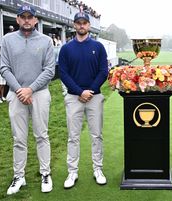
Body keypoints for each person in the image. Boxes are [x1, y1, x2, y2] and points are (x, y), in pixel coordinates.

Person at [0, 4, 55, 194]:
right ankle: (19, 176)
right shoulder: (7, 40)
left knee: (42, 135)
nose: (26, 20)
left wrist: (30, 89)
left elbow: (49, 70)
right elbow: (4, 68)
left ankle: (45, 173)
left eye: (29, 17)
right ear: (17, 20)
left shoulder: (46, 40)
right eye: (22, 17)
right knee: (18, 138)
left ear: (35, 20)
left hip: (39, 93)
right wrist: (19, 90)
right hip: (16, 94)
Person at [59, 11, 108, 188]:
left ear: (89, 25)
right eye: (78, 23)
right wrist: (80, 92)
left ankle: (98, 169)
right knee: (73, 136)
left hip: (94, 97)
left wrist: (91, 91)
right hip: (74, 97)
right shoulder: (66, 48)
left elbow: (104, 71)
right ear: (74, 25)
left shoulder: (98, 47)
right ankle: (72, 172)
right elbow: (63, 73)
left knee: (96, 135)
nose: (81, 25)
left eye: (84, 23)